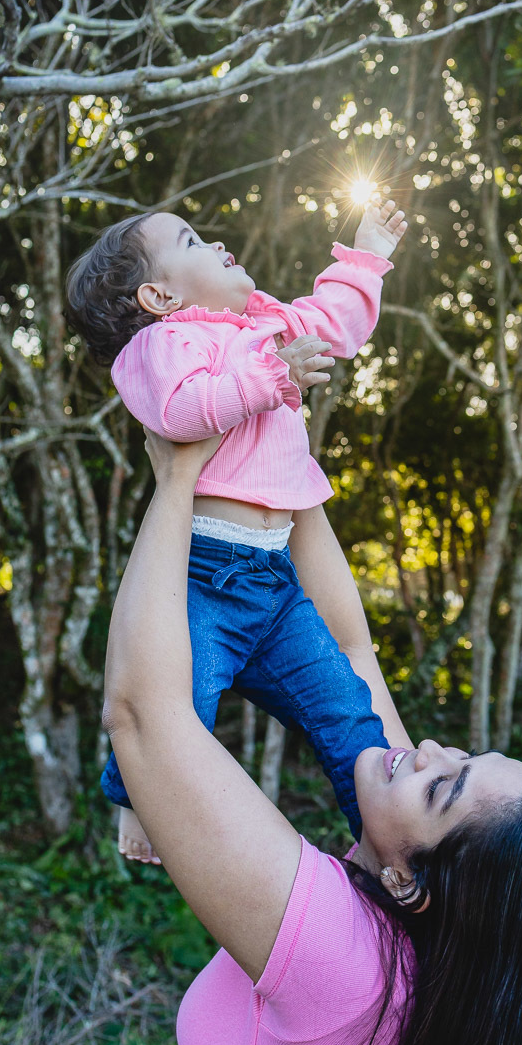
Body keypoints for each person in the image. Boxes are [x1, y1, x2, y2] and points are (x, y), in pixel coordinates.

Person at [103, 430, 522, 1045]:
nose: (427, 752)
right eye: (463, 755)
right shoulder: (434, 970)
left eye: (444, 787)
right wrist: (279, 440)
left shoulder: (341, 961)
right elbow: (348, 647)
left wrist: (175, 482)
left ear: (409, 881)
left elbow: (142, 715)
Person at [66, 199, 408, 861]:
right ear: (158, 294)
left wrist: (366, 255)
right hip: (205, 574)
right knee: (175, 704)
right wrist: (271, 374)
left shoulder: (263, 325)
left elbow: (331, 323)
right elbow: (181, 412)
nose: (217, 242)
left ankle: (394, 848)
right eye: (192, 241)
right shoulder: (161, 346)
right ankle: (137, 800)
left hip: (276, 583)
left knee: (347, 712)